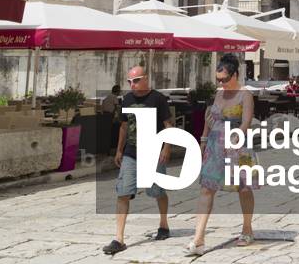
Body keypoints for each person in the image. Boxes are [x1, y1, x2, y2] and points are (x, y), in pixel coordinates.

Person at [186, 53, 256, 255]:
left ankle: (247, 228)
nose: (222, 83)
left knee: (243, 188)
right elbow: (210, 120)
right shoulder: (218, 94)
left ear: (235, 75)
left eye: (225, 79)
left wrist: (235, 139)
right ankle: (198, 238)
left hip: (238, 145)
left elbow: (246, 122)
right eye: (219, 80)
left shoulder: (245, 95)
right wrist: (203, 142)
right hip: (215, 145)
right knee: (207, 188)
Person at [102, 66, 173, 256]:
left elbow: (168, 125)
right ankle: (119, 238)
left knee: (157, 191)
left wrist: (166, 147)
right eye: (129, 82)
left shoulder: (158, 98)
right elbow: (124, 126)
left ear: (146, 79)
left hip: (153, 150)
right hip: (131, 152)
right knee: (123, 192)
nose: (132, 85)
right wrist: (119, 150)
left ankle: (163, 223)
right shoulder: (127, 99)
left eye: (136, 80)